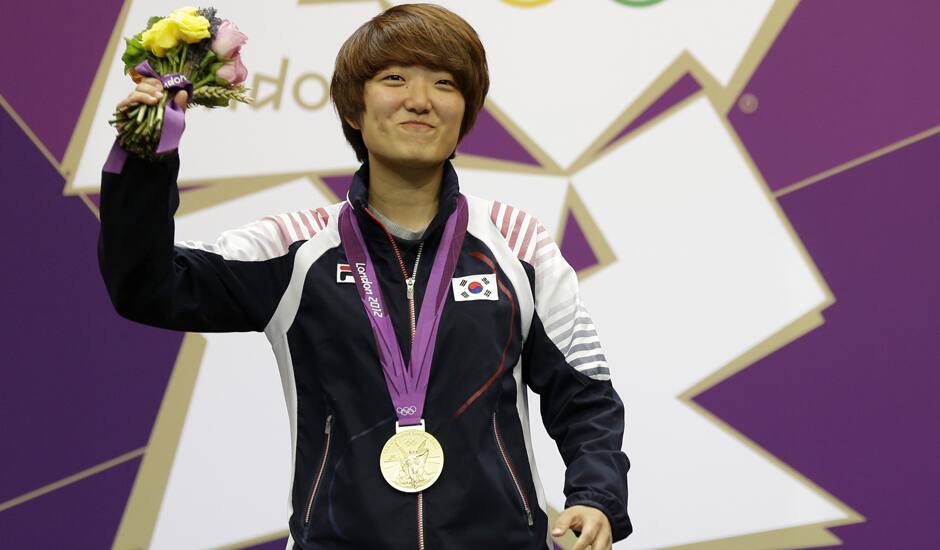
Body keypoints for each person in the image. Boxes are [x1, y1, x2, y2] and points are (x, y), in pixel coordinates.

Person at [99, 4, 631, 549]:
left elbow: (585, 394)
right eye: (394, 78)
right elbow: (148, 287)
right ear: (354, 108)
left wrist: (597, 496)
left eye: (444, 83)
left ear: (465, 113)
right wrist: (145, 164)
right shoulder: (293, 248)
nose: (420, 100)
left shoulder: (520, 245)